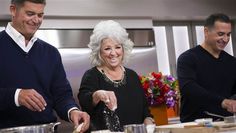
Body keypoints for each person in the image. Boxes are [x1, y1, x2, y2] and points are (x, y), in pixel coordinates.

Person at [0, 0, 90, 132]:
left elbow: (61, 95)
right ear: (13, 10)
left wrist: (72, 111)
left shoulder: (51, 53)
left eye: (40, 15)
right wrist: (15, 95)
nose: (36, 20)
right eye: (30, 14)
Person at [78, 20, 154, 131]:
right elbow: (84, 102)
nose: (113, 53)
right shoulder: (92, 75)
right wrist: (98, 95)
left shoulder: (132, 76)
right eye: (107, 48)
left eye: (117, 47)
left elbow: (145, 111)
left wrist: (149, 124)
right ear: (99, 52)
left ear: (124, 49)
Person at [177, 13, 236, 122]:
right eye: (221, 34)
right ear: (206, 32)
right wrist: (222, 102)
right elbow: (189, 89)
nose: (226, 39)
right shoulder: (188, 58)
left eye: (228, 34)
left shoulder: (232, 62)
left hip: (225, 124)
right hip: (194, 125)